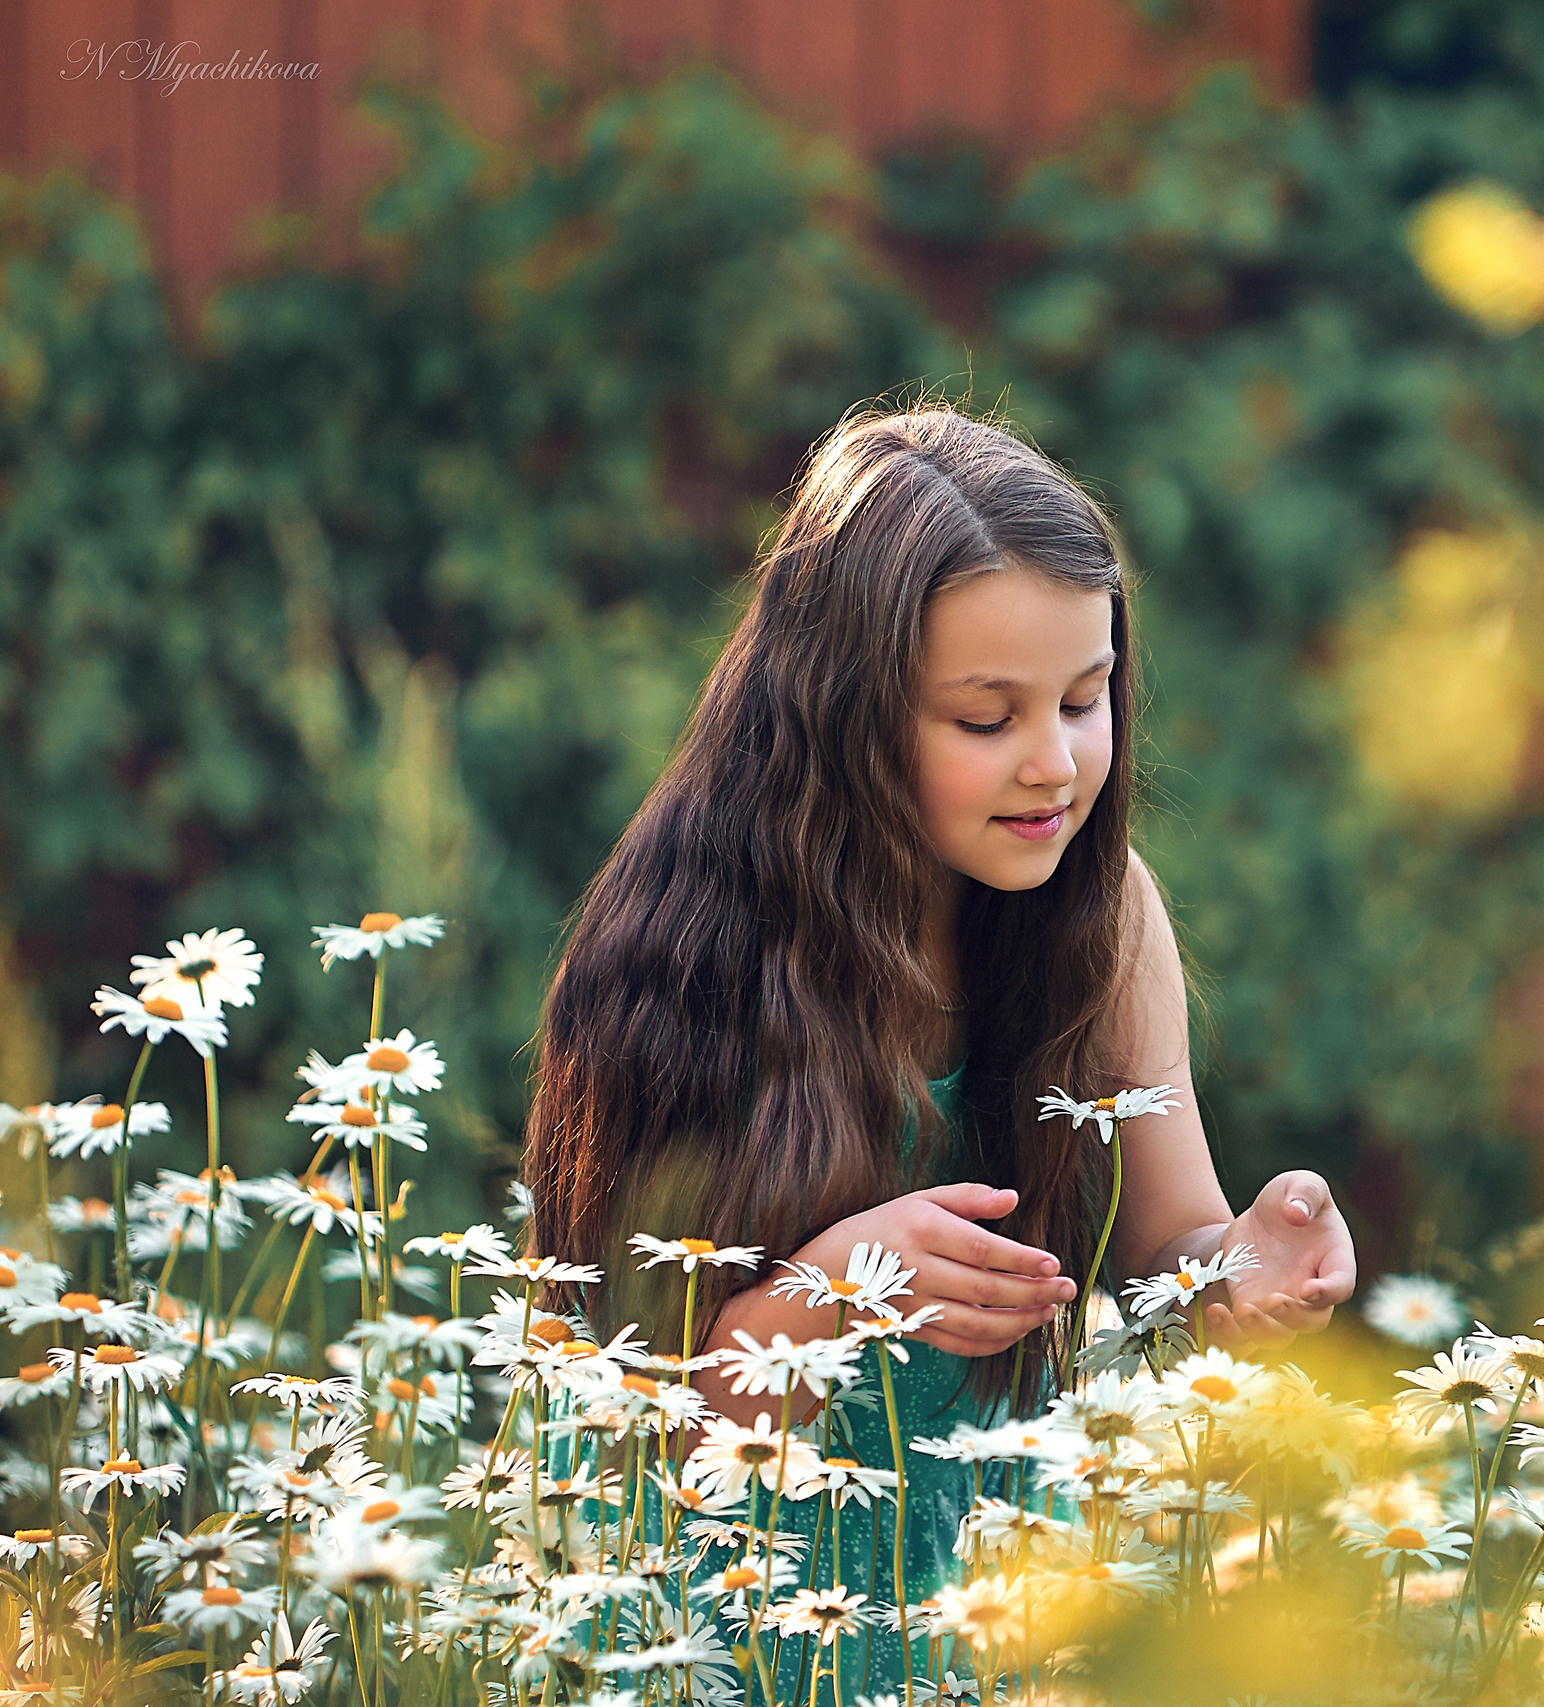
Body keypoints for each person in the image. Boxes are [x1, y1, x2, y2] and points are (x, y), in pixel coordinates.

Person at [518, 403, 1358, 1699]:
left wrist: (1251, 1266)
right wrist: (837, 1289)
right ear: (845, 715)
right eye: (986, 718)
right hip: (729, 1649)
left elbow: (1171, 1266)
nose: (1054, 765)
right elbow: (620, 1459)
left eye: (1086, 701)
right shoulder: (680, 960)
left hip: (1010, 1638)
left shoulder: (1104, 916)